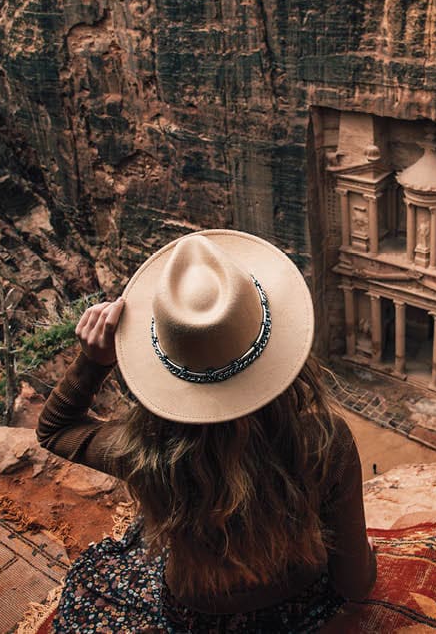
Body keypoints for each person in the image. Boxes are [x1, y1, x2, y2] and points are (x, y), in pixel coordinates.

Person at [37, 229, 377, 632]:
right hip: (301, 612)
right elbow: (354, 583)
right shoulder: (323, 442)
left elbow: (55, 429)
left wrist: (93, 362)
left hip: (194, 617)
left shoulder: (144, 454)